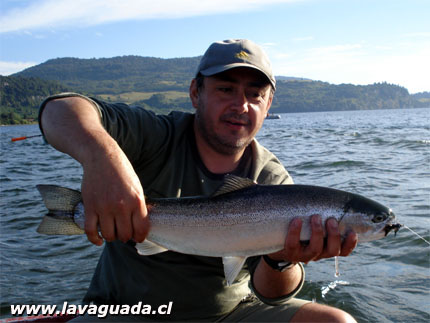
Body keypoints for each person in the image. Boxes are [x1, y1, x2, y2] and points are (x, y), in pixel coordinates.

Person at [39, 39, 358, 322]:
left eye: (254, 94)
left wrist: (280, 260)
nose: (241, 105)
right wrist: (102, 159)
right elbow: (59, 110)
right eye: (225, 89)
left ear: (268, 105)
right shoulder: (156, 135)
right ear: (196, 93)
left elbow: (272, 295)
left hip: (231, 313)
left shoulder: (273, 180)